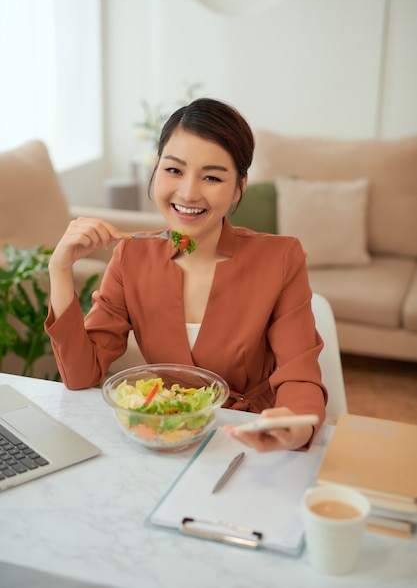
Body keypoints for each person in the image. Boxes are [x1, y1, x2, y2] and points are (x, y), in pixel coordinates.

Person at [45, 97, 327, 452]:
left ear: (240, 186)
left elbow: (299, 376)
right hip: (167, 435)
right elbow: (80, 373)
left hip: (252, 439)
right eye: (174, 170)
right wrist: (60, 269)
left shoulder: (281, 258)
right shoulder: (131, 257)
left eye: (212, 177)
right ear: (156, 170)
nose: (189, 192)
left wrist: (295, 429)